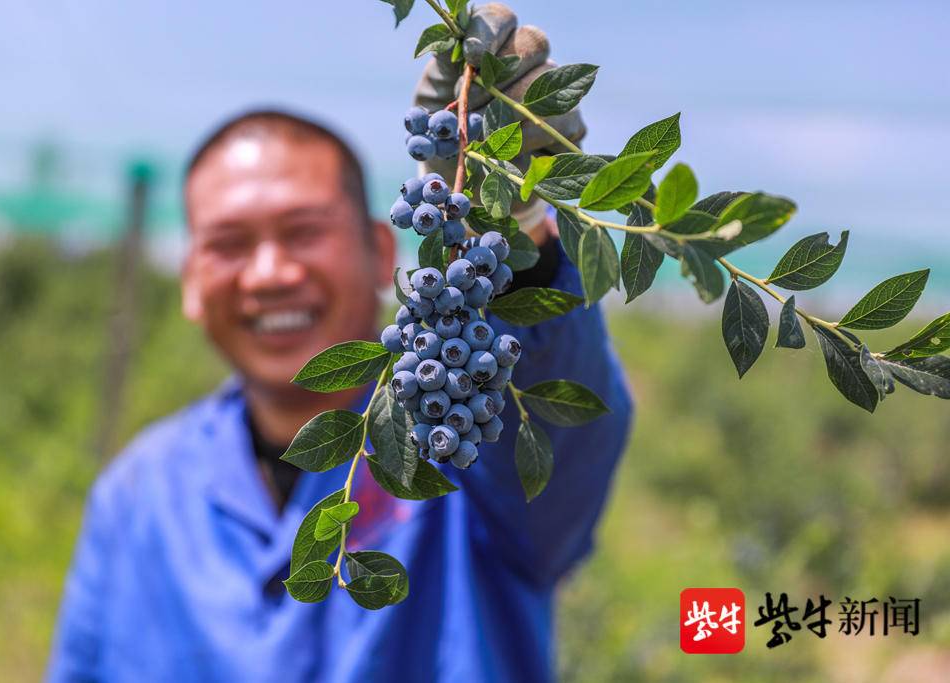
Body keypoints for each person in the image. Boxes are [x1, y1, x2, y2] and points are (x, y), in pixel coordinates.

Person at [47, 4, 633, 681]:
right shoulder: (137, 494)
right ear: (190, 284)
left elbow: (563, 467)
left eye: (303, 232)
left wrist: (515, 224)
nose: (269, 274)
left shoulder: (458, 444)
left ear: (381, 250)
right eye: (230, 244)